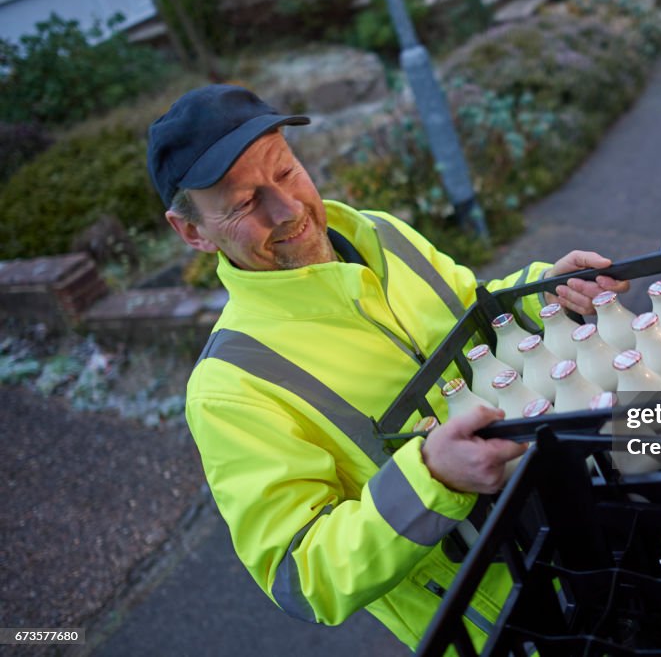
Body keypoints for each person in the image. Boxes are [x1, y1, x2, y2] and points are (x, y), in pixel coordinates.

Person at [147, 84, 628, 650]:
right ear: (192, 232)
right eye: (246, 203)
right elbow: (302, 577)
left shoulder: (380, 233)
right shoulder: (230, 388)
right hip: (523, 616)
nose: (288, 209)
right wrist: (432, 478)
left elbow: (473, 309)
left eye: (286, 171)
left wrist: (543, 292)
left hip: (593, 485)